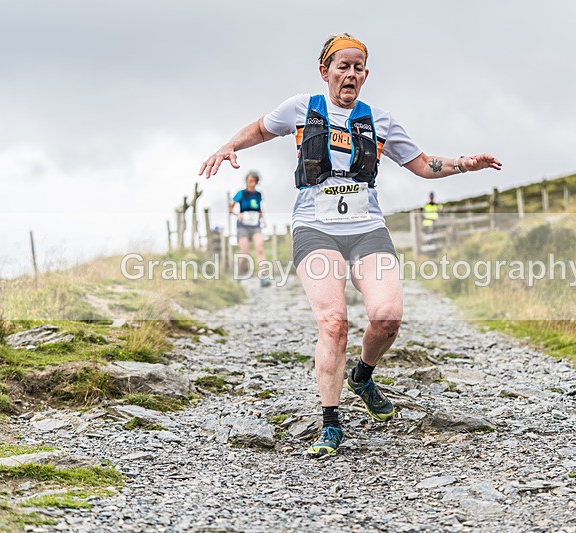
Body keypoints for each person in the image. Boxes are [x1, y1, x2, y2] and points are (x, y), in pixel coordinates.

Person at [199, 33, 502, 457]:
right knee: (334, 322)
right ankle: (330, 423)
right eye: (343, 66)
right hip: (314, 227)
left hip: (366, 228)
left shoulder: (380, 120)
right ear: (325, 72)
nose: (351, 74)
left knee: (387, 316)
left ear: (366, 75)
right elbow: (259, 129)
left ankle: (363, 375)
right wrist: (228, 145)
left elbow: (422, 165)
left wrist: (462, 165)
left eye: (359, 68)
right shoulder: (302, 108)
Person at [229, 171, 270, 287]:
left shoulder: (258, 195)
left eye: (253, 181)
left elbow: (259, 208)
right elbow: (230, 208)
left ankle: (263, 277)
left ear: (256, 182)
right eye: (248, 181)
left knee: (260, 249)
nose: (250, 184)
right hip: (243, 226)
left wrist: (263, 219)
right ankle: (239, 275)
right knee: (245, 253)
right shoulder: (241, 194)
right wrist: (238, 215)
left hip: (256, 225)